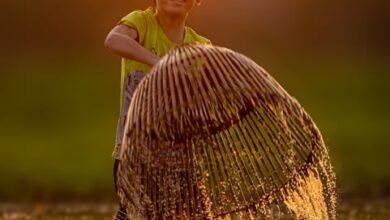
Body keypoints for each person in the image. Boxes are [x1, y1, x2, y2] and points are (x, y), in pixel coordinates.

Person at [104, 0, 211, 219]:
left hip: (181, 162)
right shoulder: (142, 24)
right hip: (134, 156)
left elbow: (211, 94)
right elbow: (113, 40)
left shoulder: (200, 46)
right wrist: (161, 63)